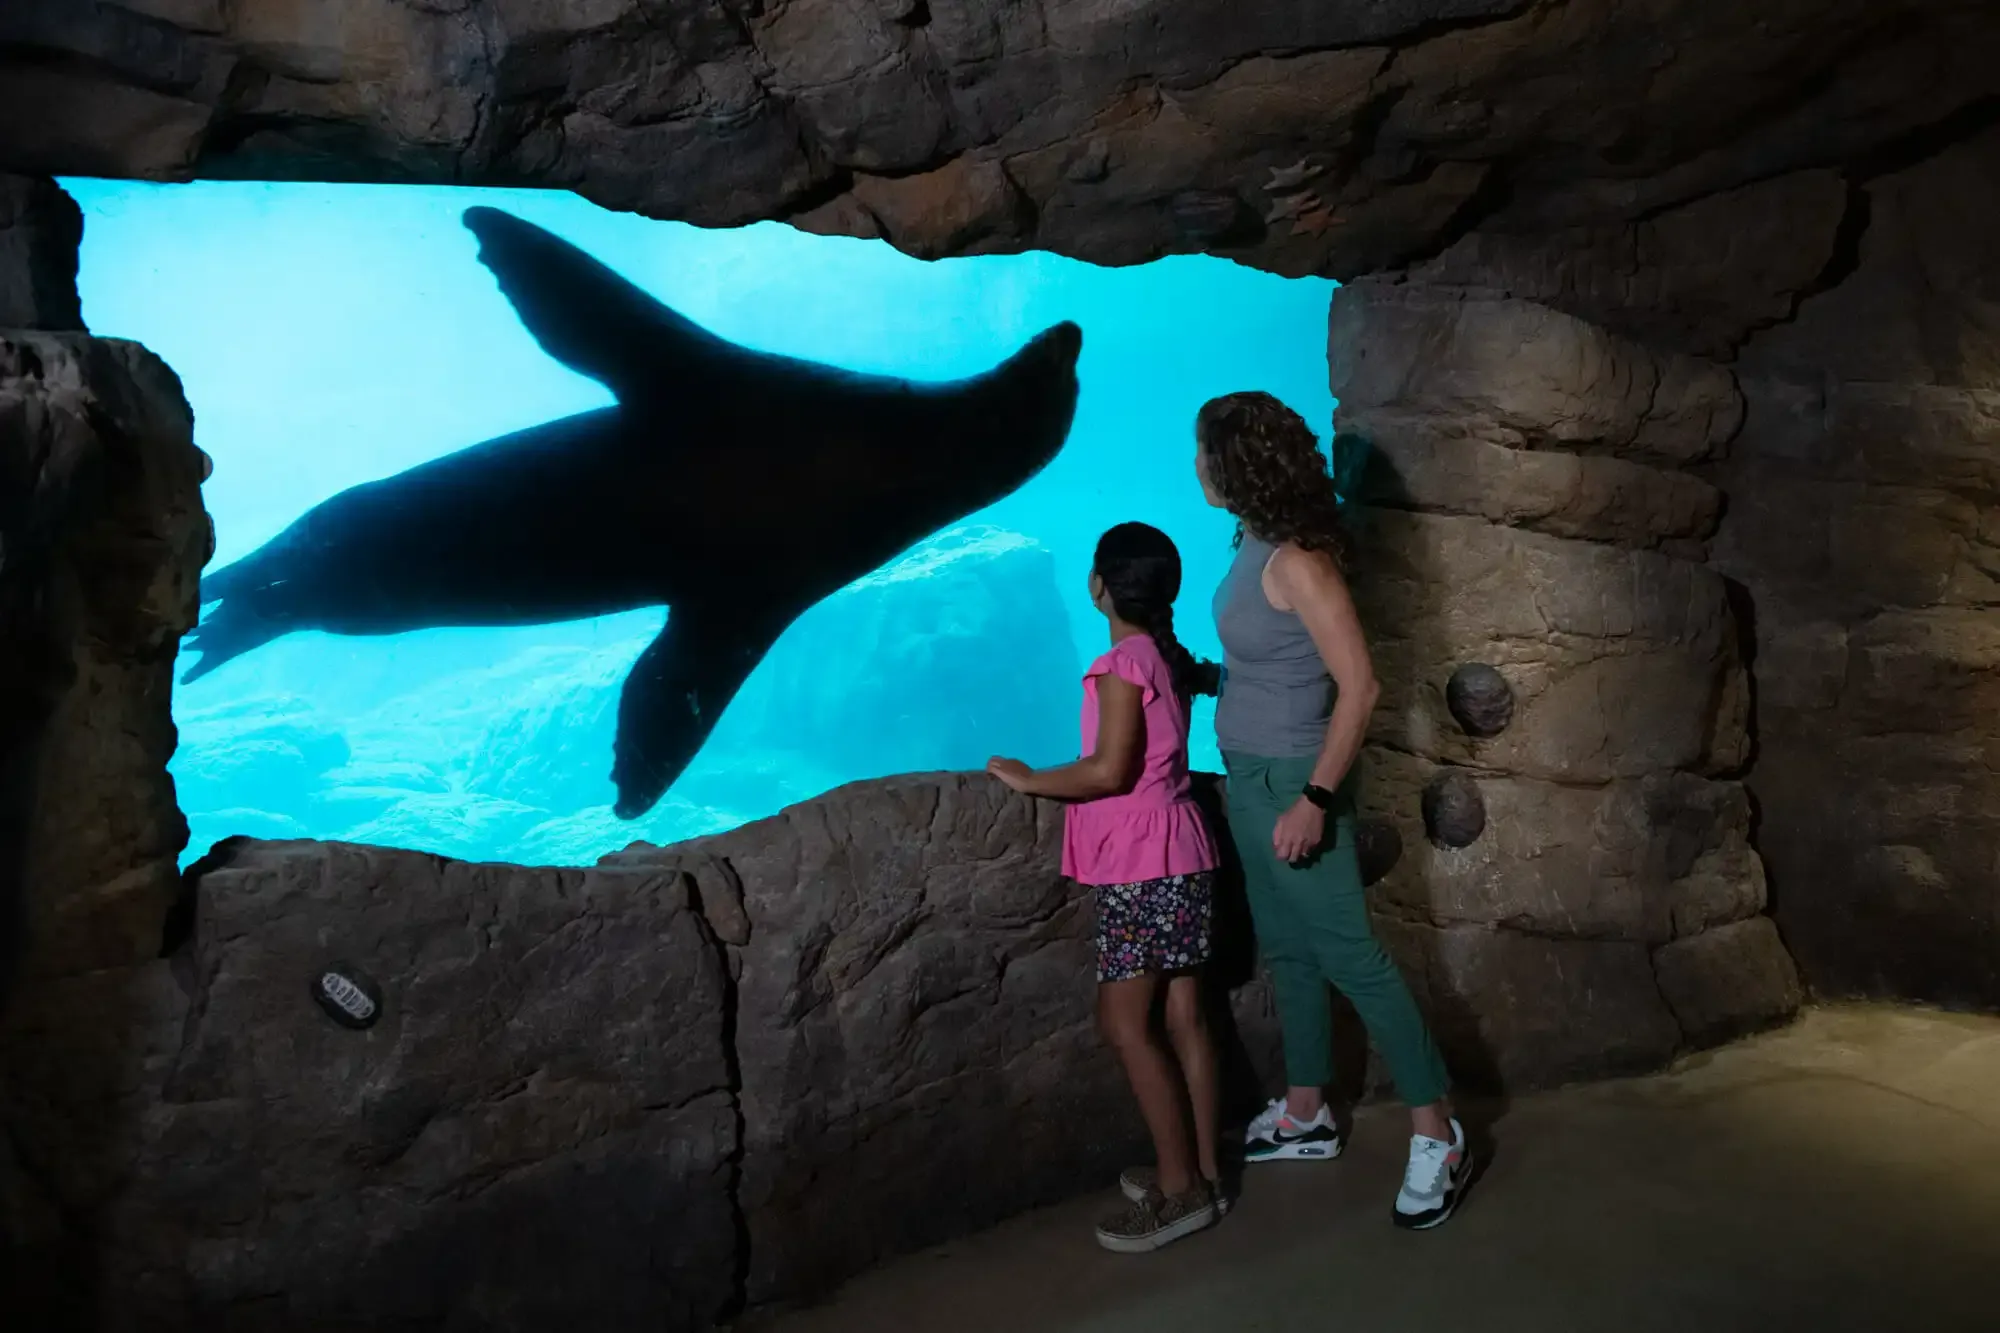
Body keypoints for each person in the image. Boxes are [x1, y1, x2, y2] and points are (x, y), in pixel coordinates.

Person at [1195, 390, 1472, 1231]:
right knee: (1292, 950)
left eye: (1203, 450)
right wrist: (1203, 675)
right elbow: (1271, 661)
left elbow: (1360, 686)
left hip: (1293, 784)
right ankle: (1307, 1109)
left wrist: (1316, 799)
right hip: (1250, 775)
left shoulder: (1299, 562)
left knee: (1355, 958)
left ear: (1235, 463)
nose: (1196, 465)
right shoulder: (1251, 541)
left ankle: (1439, 1132)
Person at [987, 522, 1225, 1254]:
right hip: (1182, 851)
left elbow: (1108, 770)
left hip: (1141, 867)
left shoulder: (1124, 663)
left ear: (1099, 585)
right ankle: (1205, 1170)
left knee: (1125, 1023)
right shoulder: (1166, 657)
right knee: (1185, 1015)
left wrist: (1029, 778)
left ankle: (1182, 1191)